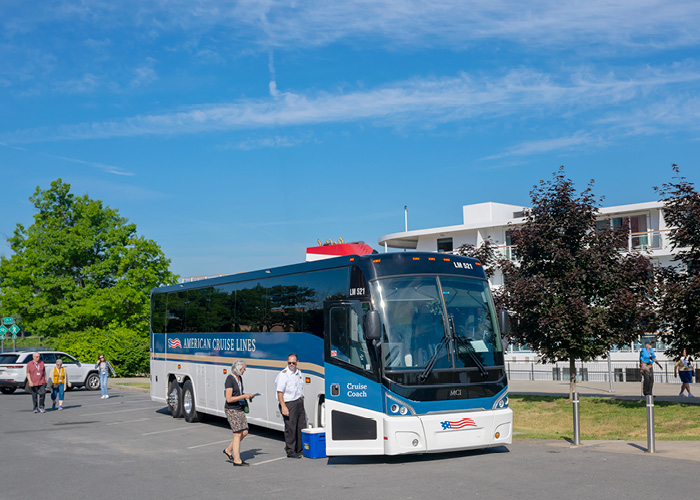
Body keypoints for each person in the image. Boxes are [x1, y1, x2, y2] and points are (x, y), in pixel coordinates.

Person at [223, 359, 254, 467]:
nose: (244, 370)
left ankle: (228, 450)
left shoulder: (239, 378)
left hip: (239, 408)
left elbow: (238, 393)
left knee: (244, 431)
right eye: (243, 368)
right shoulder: (229, 379)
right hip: (231, 409)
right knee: (237, 433)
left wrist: (247, 395)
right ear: (238, 368)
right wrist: (243, 396)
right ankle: (237, 460)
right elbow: (229, 399)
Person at [275, 353, 306, 458]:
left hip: (298, 402)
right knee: (291, 427)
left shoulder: (299, 373)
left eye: (293, 362)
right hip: (288, 403)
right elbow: (280, 392)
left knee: (301, 426)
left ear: (297, 362)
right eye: (289, 363)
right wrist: (283, 406)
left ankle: (300, 449)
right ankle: (291, 451)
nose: (291, 364)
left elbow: (299, 388)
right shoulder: (283, 374)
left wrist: (302, 400)